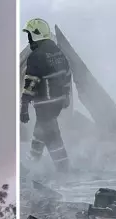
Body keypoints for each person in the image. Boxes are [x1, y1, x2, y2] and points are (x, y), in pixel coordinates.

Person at [21, 18, 73, 172]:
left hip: (45, 104)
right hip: (58, 101)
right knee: (40, 131)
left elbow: (31, 84)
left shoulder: (36, 56)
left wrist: (24, 107)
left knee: (52, 136)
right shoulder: (57, 51)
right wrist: (66, 96)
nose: (29, 39)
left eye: (29, 35)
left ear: (36, 35)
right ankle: (32, 162)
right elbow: (67, 74)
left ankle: (64, 170)